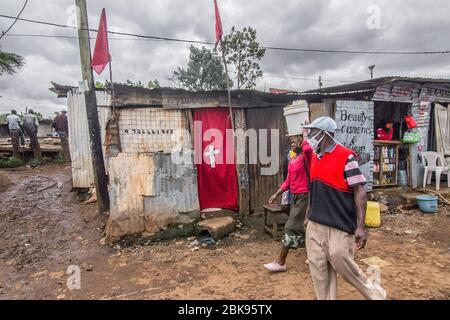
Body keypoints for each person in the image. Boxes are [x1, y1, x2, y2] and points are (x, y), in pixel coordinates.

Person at [302, 117, 386, 300]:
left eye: (313, 131)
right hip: (316, 222)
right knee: (318, 267)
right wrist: (308, 214)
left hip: (339, 223)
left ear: (325, 134)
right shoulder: (315, 157)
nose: (309, 135)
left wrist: (361, 227)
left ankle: (374, 293)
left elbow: (360, 191)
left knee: (341, 261)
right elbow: (313, 188)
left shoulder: (346, 156)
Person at [264, 132, 312, 272]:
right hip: (295, 197)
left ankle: (280, 262)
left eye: (294, 141)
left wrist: (303, 133)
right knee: (305, 227)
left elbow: (308, 148)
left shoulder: (306, 157)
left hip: (305, 196)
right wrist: (276, 194)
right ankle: (315, 255)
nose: (291, 143)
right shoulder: (293, 160)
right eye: (290, 141)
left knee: (290, 226)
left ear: (301, 142)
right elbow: (288, 181)